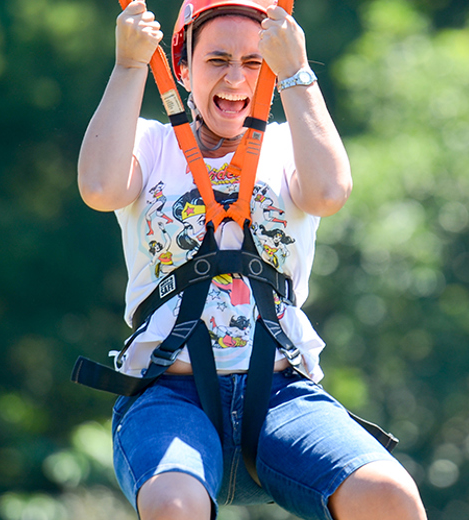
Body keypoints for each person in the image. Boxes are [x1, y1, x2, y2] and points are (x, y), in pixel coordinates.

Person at [77, 1, 427, 519]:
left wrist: (296, 70)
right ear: (183, 68)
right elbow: (101, 187)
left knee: (390, 496)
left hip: (281, 394)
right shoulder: (151, 144)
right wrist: (129, 64)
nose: (236, 78)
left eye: (255, 62)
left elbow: (329, 192)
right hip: (171, 394)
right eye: (217, 60)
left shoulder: (289, 144)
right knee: (175, 507)